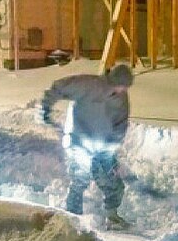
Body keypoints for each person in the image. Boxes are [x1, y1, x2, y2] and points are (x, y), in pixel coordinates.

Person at [39, 63, 134, 230]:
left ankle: (112, 216)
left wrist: (114, 142)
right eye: (121, 86)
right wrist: (46, 107)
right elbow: (58, 87)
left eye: (125, 88)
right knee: (80, 179)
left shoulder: (121, 98)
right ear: (113, 80)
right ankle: (72, 217)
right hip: (79, 142)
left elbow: (121, 122)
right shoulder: (88, 85)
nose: (122, 91)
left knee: (112, 181)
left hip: (103, 146)